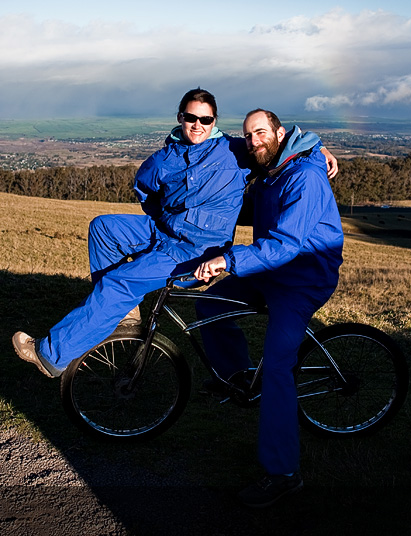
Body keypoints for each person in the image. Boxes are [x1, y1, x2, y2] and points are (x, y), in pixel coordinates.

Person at [12, 90, 337, 378]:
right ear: (180, 118)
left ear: (215, 122)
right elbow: (144, 189)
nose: (198, 125)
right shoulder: (165, 157)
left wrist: (317, 150)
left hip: (197, 249)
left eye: (205, 119)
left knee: (119, 281)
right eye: (191, 117)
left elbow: (279, 145)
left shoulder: (234, 150)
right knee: (103, 228)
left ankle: (51, 354)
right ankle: (122, 317)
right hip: (166, 230)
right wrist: (164, 215)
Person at [192, 109, 344, 508]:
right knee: (210, 302)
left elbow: (287, 245)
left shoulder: (304, 176)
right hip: (270, 270)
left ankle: (283, 474)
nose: (253, 140)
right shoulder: (271, 164)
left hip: (301, 279)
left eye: (261, 132)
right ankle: (237, 377)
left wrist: (228, 260)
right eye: (248, 135)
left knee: (278, 368)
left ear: (279, 132)